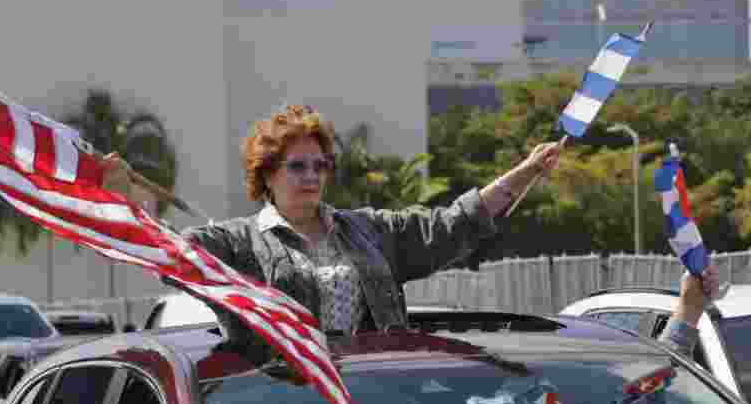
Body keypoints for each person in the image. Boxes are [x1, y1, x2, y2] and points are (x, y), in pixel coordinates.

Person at [101, 104, 561, 358]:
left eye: (320, 165)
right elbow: (166, 253)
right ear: (267, 174)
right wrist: (119, 200)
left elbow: (452, 226)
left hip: (377, 397)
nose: (312, 176)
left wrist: (526, 170)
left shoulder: (367, 230)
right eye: (297, 166)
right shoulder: (236, 243)